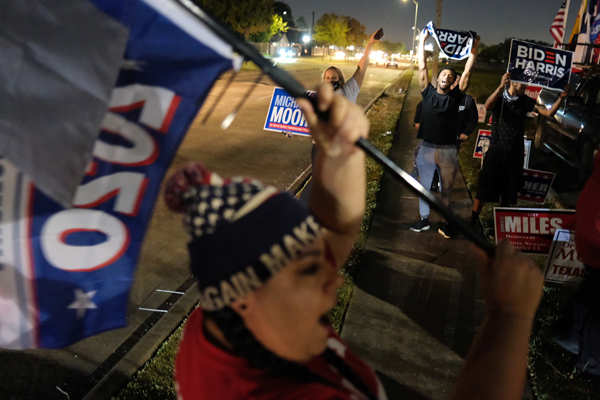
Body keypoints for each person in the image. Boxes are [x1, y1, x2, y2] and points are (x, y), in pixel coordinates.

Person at [166, 83, 544, 399]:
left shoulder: (227, 323)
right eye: (313, 271)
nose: (337, 281)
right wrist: (510, 317)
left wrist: (339, 154)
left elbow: (334, 230)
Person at [409, 29, 480, 238]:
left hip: (448, 150)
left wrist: (473, 49)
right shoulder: (427, 92)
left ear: (453, 81)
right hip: (427, 148)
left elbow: (467, 72)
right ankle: (424, 219)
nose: (446, 76)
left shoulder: (458, 97)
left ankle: (447, 223)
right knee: (424, 188)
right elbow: (421, 66)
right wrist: (422, 41)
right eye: (443, 74)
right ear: (437, 77)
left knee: (447, 190)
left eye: (450, 76)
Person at [471, 73, 567, 221]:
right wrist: (499, 86)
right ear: (513, 82)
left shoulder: (525, 101)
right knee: (485, 185)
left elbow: (547, 112)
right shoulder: (500, 97)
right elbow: (488, 105)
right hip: (496, 149)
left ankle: (501, 222)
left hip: (515, 152)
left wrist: (561, 98)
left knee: (509, 188)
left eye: (526, 84)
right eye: (522, 83)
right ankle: (473, 218)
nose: (525, 86)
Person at [554, 151, 600, 375]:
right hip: (596, 236)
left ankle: (570, 334)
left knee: (591, 289)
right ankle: (591, 360)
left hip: (589, 230)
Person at [321, 29, 381, 104]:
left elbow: (361, 69)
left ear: (340, 80)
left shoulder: (348, 91)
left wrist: (370, 43)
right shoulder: (318, 98)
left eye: (334, 78)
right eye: (327, 78)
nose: (330, 81)